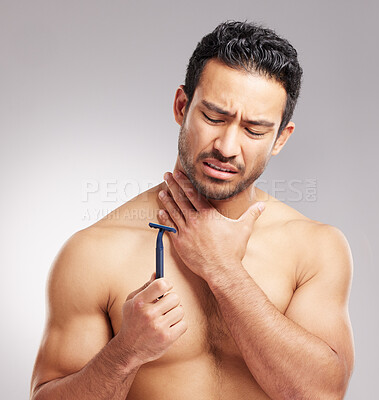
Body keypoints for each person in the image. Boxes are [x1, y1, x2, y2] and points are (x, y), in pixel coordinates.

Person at [30, 21, 354, 400]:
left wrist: (223, 269)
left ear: (280, 138)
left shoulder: (315, 248)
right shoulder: (95, 252)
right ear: (182, 107)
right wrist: (126, 352)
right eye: (214, 117)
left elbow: (322, 394)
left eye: (254, 130)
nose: (228, 146)